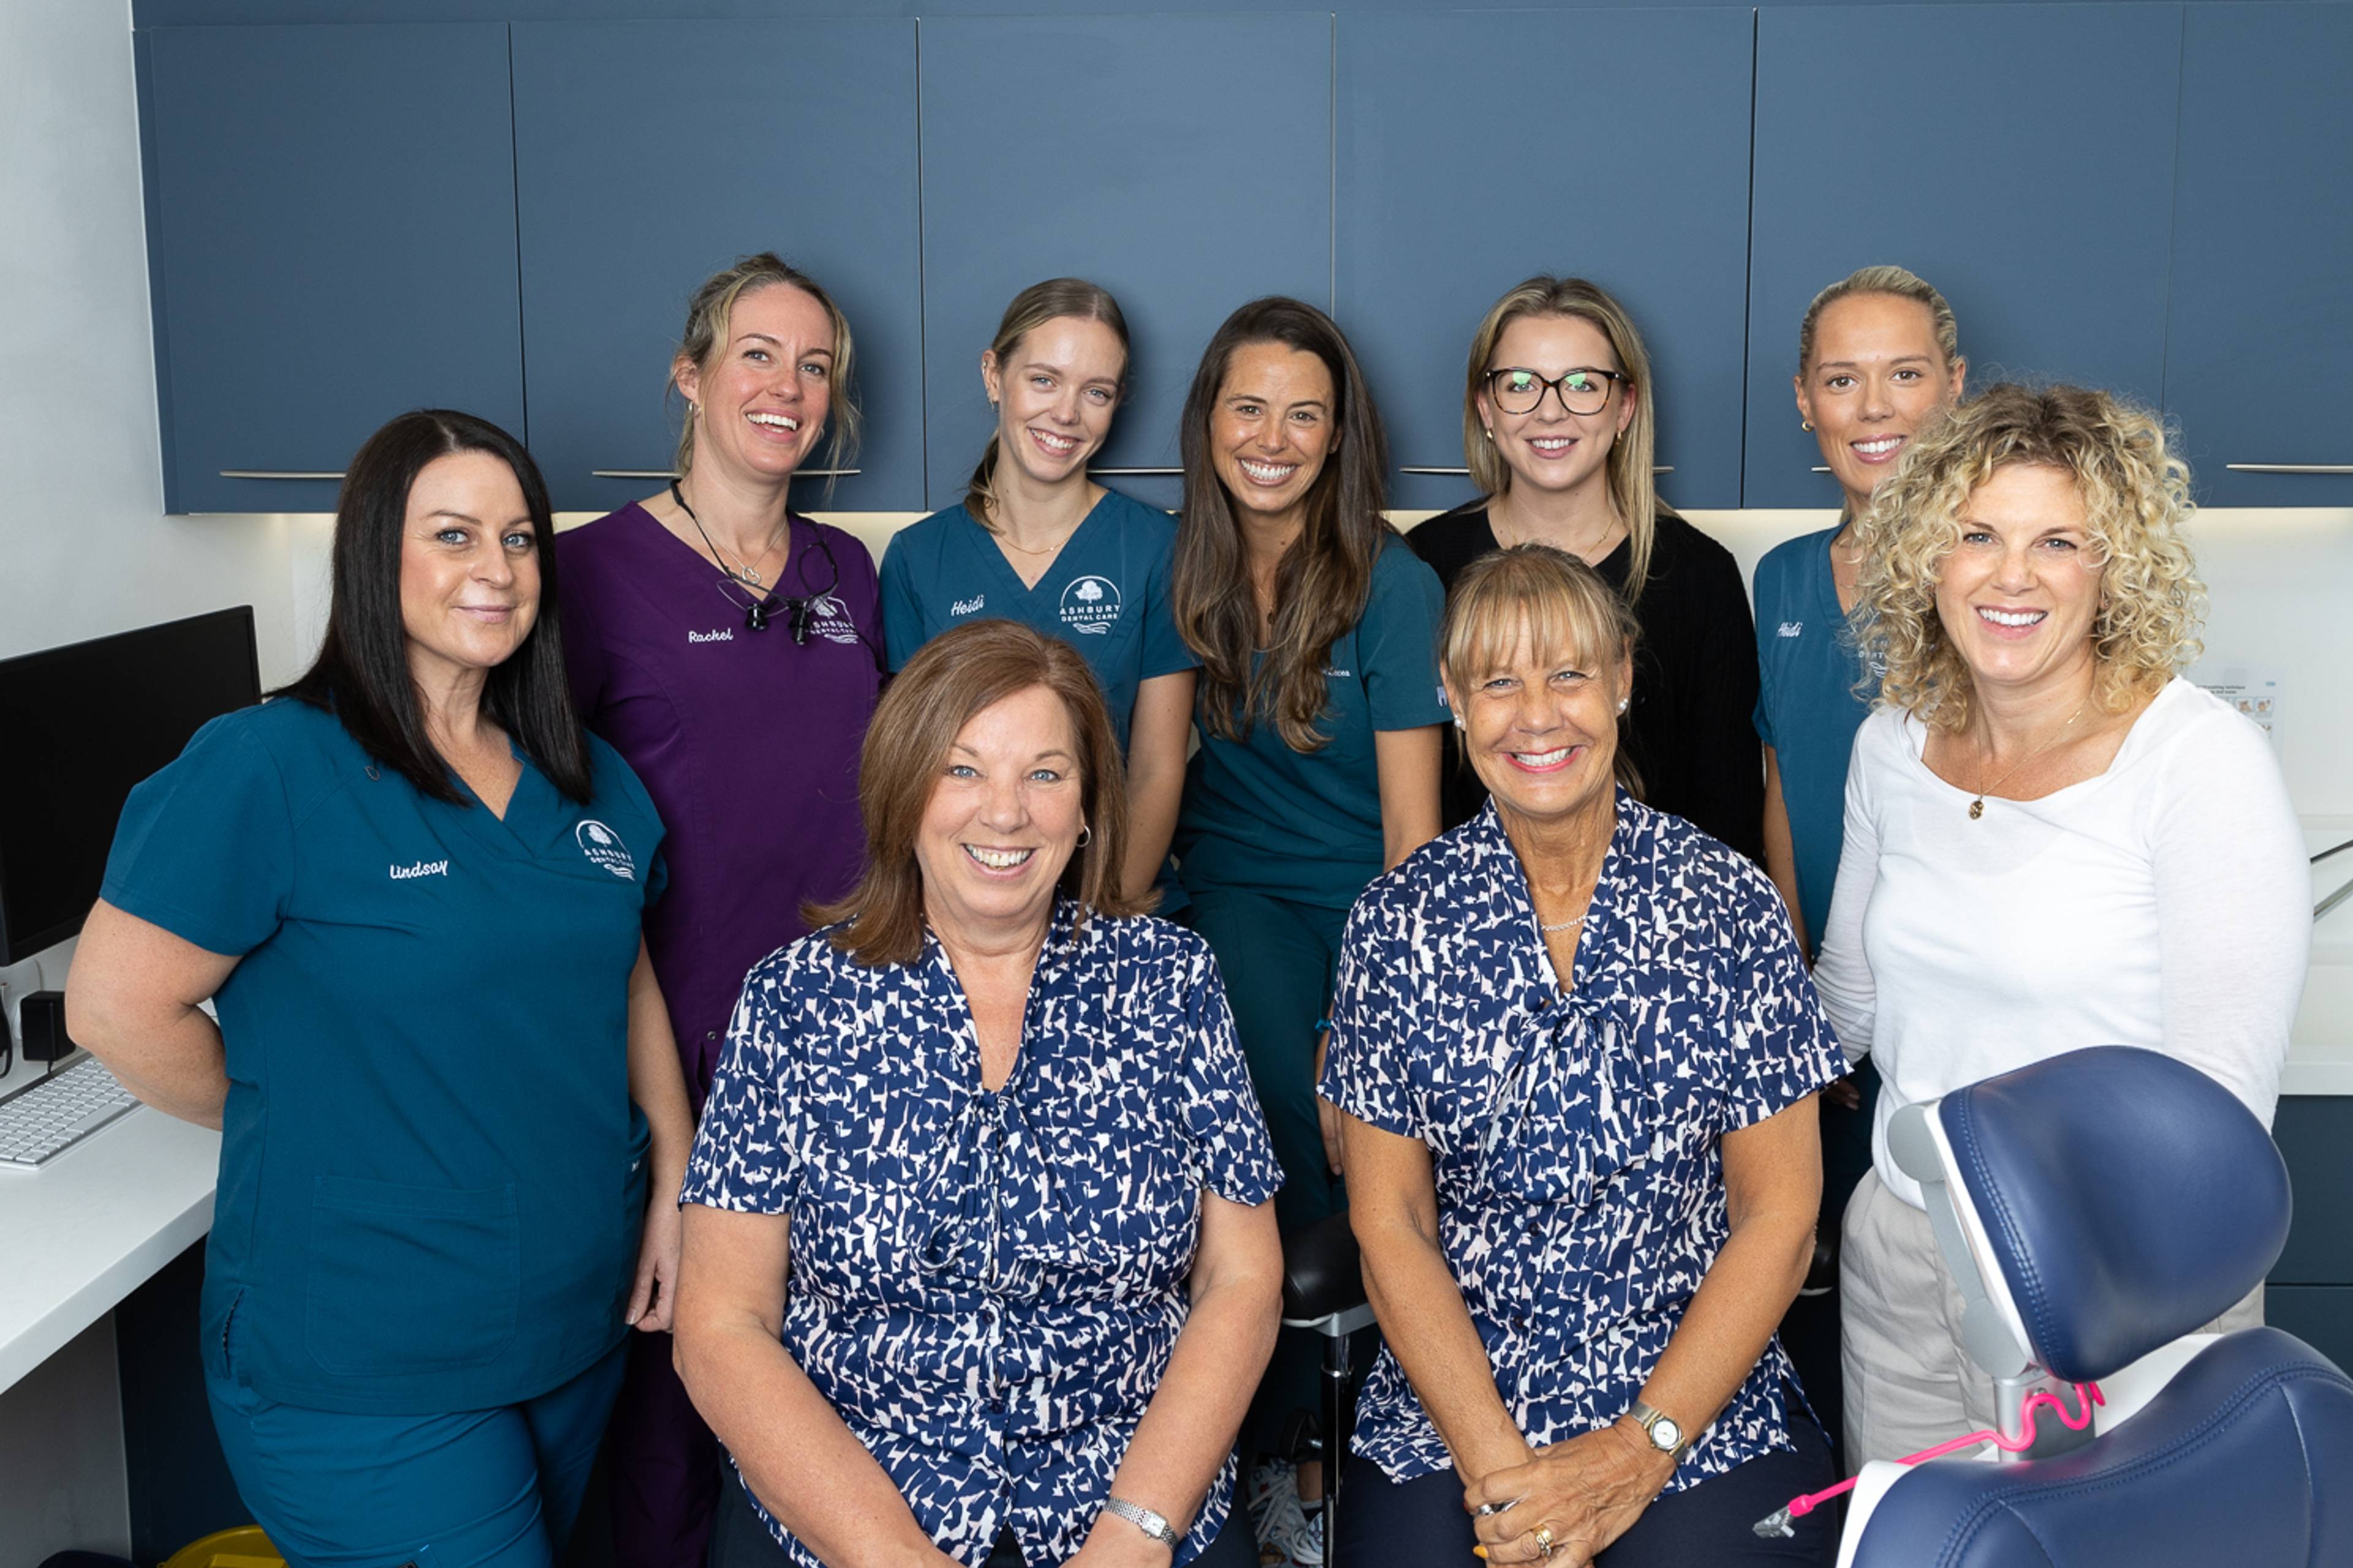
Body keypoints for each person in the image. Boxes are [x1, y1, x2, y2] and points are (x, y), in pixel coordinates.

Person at [66, 411, 692, 1568]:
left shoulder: (585, 771)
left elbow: (628, 976)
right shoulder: (269, 765)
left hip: (573, 1321)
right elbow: (112, 1007)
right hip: (364, 1359)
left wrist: (673, 1174)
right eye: (453, 535)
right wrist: (284, 1103)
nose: (496, 570)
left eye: (518, 539)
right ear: (373, 555)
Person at [673, 618, 1283, 1568]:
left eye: (1045, 773)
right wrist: (891, 1554)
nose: (1007, 812)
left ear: (1086, 807)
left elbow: (1241, 1279)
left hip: (1127, 1497)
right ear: (902, 791)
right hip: (852, 1512)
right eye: (963, 770)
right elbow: (720, 1323)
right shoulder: (793, 1000)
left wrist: (1139, 1530)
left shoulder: (1173, 984)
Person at [1813, 383, 2311, 1468]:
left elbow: (2222, 1101)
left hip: (2120, 1261)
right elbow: (1845, 1001)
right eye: (1977, 534)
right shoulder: (1892, 746)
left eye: (2059, 541)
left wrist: (2083, 1279)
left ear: (2113, 569)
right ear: (1925, 556)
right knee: (1910, 1542)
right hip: (1906, 1246)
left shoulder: (2197, 759)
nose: (2012, 575)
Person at [1322, 544, 1842, 1568]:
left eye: (1568, 673)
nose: (1538, 713)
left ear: (1622, 681)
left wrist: (1639, 1449)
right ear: (1455, 702)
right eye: (1499, 680)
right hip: (1457, 1393)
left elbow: (1779, 1213)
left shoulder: (1728, 904)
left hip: (1693, 1389)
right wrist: (1502, 1476)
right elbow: (1391, 1220)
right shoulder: (1396, 922)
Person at [557, 253, 884, 1568]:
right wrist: (668, 1129)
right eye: (757, 354)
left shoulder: (849, 571)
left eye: (814, 367)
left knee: (829, 1412)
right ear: (689, 375)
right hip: (675, 1051)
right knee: (669, 1419)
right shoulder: (588, 580)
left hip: (852, 1058)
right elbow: (557, 855)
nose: (786, 387)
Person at [1167, 297, 1447, 1562]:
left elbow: (1412, 837)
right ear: (1208, 421)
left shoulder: (1395, 582)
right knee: (1277, 1142)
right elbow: (1158, 782)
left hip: (1373, 904)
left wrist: (1372, 1016)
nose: (1273, 437)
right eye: (1248, 407)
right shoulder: (1176, 565)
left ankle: (1378, 1435)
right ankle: (1285, 1454)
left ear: (1340, 436)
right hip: (1234, 906)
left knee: (1379, 1145)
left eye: (1305, 413)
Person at [1749, 265, 1966, 1464]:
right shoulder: (1781, 577)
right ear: (1805, 399)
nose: (1872, 404)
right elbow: (1780, 785)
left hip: (1947, 1030)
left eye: (1902, 373)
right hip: (1822, 1028)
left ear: (1953, 388)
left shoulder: (1998, 579)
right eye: (1843, 377)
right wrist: (1799, 998)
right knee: (1819, 1303)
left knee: (1964, 1329)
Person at [1408, 277, 1763, 861]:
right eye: (1519, 384)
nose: (1551, 410)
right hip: (1471, 926)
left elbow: (1729, 822)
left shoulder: (1699, 577)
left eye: (1582, 385)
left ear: (1625, 407)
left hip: (1663, 920)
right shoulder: (1424, 565)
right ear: (1485, 407)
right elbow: (1413, 803)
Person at [881, 278, 1194, 907]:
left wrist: (1101, 923)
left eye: (1095, 392)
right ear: (994, 376)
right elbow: (912, 770)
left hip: (1111, 898)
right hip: (964, 904)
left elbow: (1158, 768)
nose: (1066, 414)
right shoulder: (920, 559)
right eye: (1044, 380)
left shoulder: (1155, 548)